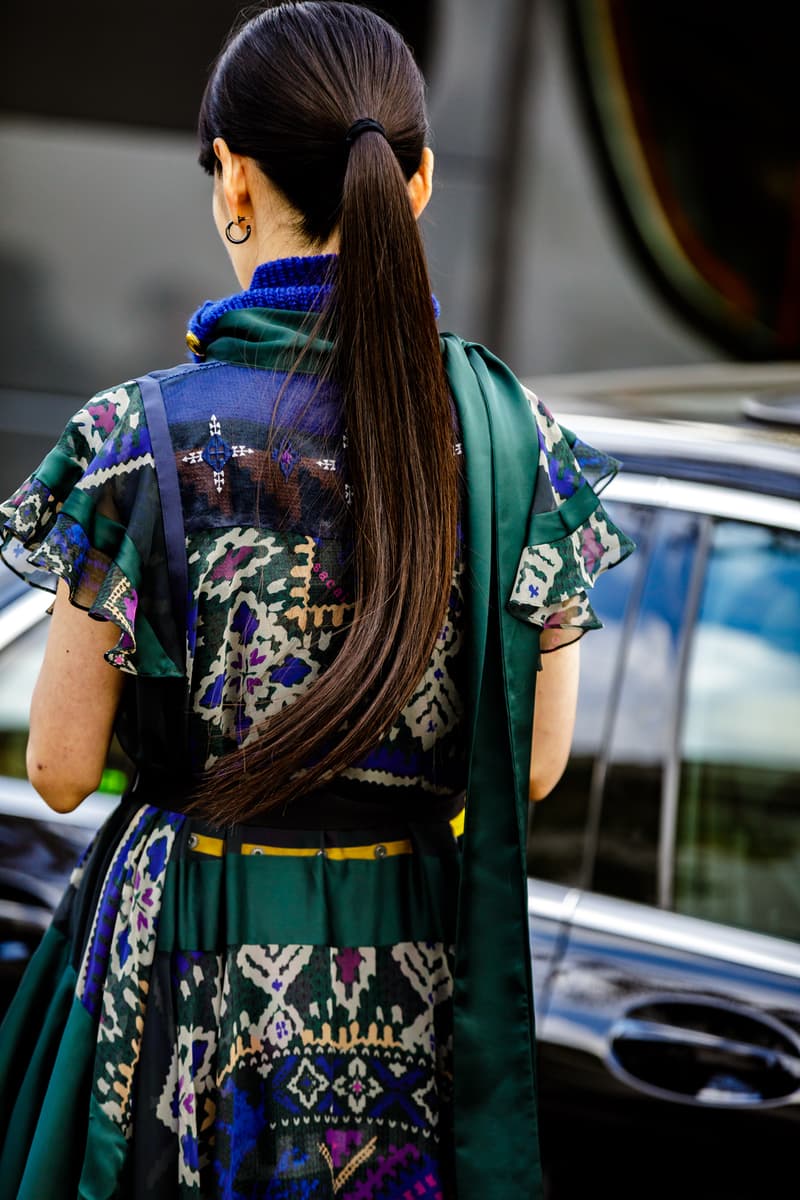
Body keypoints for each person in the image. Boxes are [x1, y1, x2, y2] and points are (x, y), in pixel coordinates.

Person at [0, 4, 634, 1197]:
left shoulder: (139, 441)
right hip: (407, 954)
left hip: (196, 935)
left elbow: (61, 770)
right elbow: (534, 762)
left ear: (233, 182)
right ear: (421, 181)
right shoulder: (514, 443)